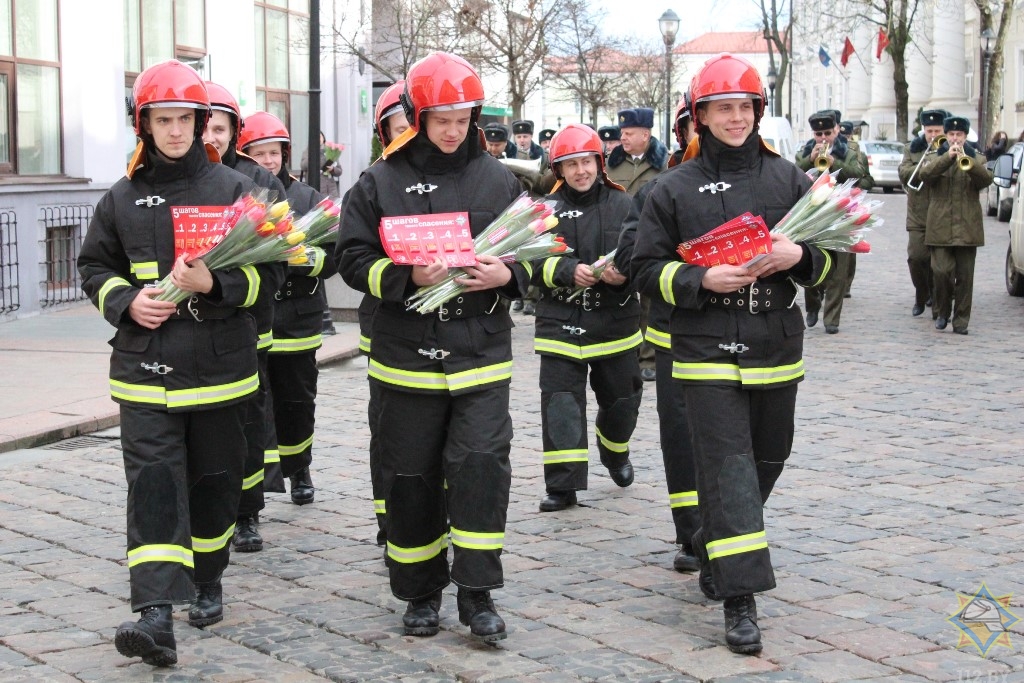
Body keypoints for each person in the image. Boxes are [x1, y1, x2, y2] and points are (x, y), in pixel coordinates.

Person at [631, 52, 832, 655]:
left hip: (776, 343)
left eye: (745, 107)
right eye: (724, 108)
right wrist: (698, 282)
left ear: (757, 112)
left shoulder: (788, 178)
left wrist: (803, 259)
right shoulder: (672, 187)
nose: (736, 117)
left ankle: (718, 543)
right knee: (729, 468)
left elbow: (826, 259)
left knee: (771, 454)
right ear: (701, 116)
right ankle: (739, 599)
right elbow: (646, 269)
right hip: (703, 349)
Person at [78, 59, 267, 666]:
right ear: (145, 124)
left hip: (220, 372)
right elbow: (92, 268)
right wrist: (127, 302)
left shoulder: (232, 190)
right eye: (165, 120)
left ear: (202, 122)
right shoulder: (121, 198)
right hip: (146, 370)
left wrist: (216, 283)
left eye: (186, 119)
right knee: (154, 485)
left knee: (215, 486)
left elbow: (268, 277)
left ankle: (207, 578)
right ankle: (155, 613)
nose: (178, 131)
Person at [336, 51, 526, 643]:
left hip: (481, 356)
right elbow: (351, 260)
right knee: (410, 477)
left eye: (463, 119)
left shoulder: (499, 180)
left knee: (481, 470)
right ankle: (419, 591)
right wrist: (404, 279)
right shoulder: (378, 182)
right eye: (441, 118)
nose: (453, 130)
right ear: (417, 115)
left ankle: (477, 592)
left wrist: (510, 278)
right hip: (405, 359)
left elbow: (539, 253)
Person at [531, 123, 641, 512]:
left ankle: (615, 451)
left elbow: (642, 260)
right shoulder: (543, 211)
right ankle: (563, 485)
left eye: (586, 162)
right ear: (558, 170)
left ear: (599, 162)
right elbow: (529, 265)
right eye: (570, 164)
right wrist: (564, 271)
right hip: (559, 323)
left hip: (616, 326)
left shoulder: (625, 205)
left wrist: (622, 276)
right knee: (561, 404)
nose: (580, 171)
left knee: (622, 404)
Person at [202, 81, 288, 554]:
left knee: (249, 419)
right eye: (206, 126)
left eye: (220, 128)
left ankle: (247, 511)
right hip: (187, 327)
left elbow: (278, 251)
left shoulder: (257, 180)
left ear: (235, 130)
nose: (210, 136)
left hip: (249, 320)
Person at [617, 94, 702, 572]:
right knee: (683, 439)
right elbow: (634, 261)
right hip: (676, 337)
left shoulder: (766, 179)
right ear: (688, 130)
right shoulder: (659, 190)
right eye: (698, 123)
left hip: (750, 342)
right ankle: (692, 533)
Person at [239, 111, 338, 506]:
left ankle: (300, 469)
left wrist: (299, 258)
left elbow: (333, 257)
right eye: (259, 153)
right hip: (256, 320)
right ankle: (260, 485)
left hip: (298, 319)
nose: (268, 161)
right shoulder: (238, 194)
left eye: (274, 152)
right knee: (256, 406)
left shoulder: (307, 198)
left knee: (297, 401)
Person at [916, 115, 993, 334]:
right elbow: (924, 175)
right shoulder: (934, 155)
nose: (955, 139)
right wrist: (946, 158)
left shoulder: (977, 157)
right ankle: (942, 311)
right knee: (941, 272)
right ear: (946, 135)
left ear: (966, 136)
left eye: (959, 135)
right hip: (940, 225)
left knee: (965, 278)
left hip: (968, 226)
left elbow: (986, 180)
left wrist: (969, 163)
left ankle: (961, 321)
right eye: (951, 135)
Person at [608, 107, 668, 381]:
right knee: (619, 298)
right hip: (618, 240)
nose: (624, 138)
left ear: (646, 134)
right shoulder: (611, 163)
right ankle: (624, 353)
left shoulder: (663, 164)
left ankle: (648, 358)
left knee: (648, 303)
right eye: (622, 133)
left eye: (629, 133)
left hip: (651, 238)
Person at [795, 110, 867, 333]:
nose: (824, 138)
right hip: (814, 215)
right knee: (814, 265)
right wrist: (810, 160)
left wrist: (835, 163)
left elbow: (859, 175)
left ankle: (832, 320)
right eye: (819, 134)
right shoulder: (805, 151)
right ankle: (813, 306)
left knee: (839, 269)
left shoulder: (848, 152)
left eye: (828, 132)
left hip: (840, 214)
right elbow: (791, 175)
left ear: (836, 130)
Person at [898, 110, 944, 317]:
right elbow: (904, 172)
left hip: (942, 213)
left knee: (938, 263)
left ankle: (936, 296)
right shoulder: (913, 149)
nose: (933, 135)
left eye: (937, 130)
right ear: (923, 130)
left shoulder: (948, 150)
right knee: (916, 258)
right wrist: (923, 166)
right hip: (918, 212)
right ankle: (921, 293)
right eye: (929, 131)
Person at [301, 130, 343, 197]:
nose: (318, 139)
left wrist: (332, 169)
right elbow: (303, 166)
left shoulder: (331, 151)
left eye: (320, 137)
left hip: (330, 190)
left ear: (323, 138)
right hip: (314, 189)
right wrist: (312, 155)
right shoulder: (308, 151)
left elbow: (339, 171)